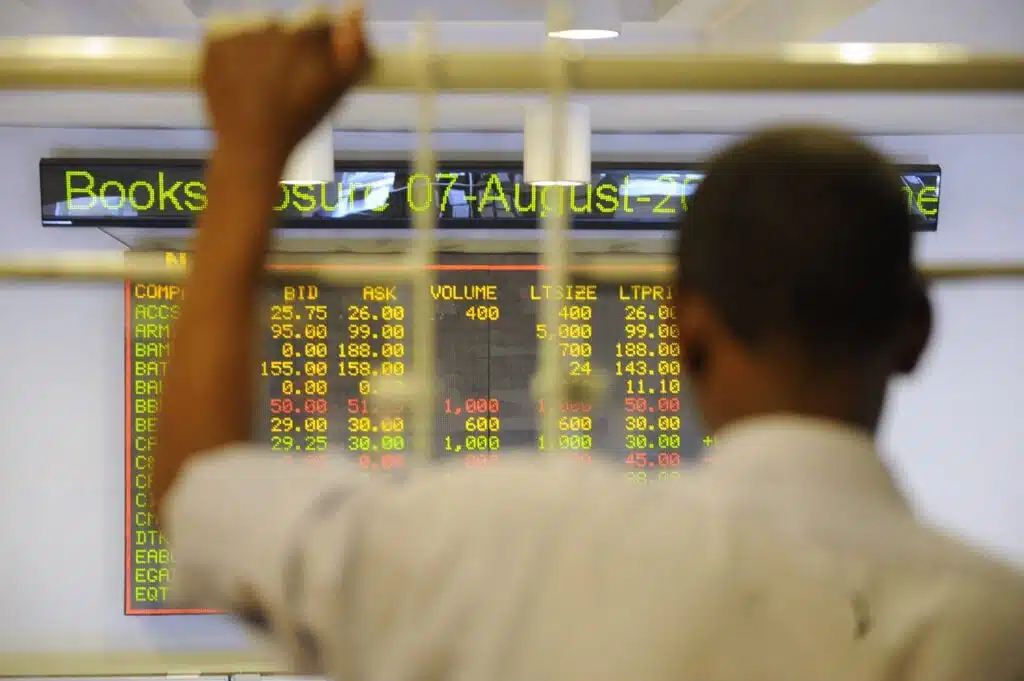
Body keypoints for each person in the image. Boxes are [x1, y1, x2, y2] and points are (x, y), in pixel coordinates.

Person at [152, 8, 1024, 681]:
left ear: (684, 329)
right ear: (916, 332)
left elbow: (198, 492)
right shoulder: (999, 622)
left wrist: (249, 150)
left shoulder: (513, 540)